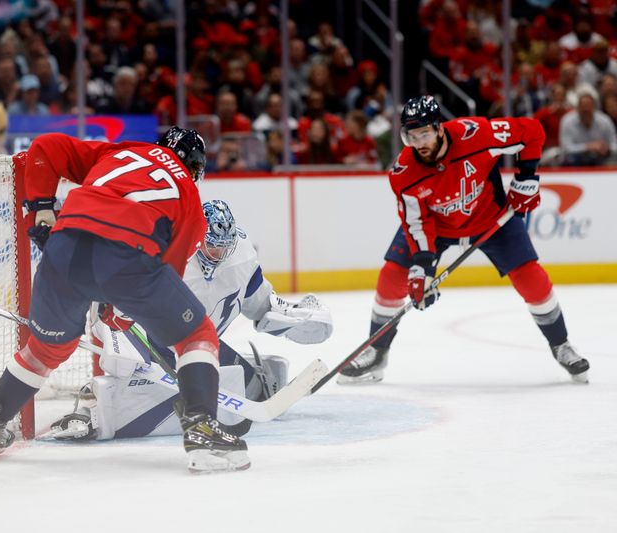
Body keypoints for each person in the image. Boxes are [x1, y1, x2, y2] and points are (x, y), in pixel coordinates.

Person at [0, 127, 252, 473]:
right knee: (197, 335)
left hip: (63, 248)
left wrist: (40, 206)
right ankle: (202, 428)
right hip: (128, 256)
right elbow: (168, 269)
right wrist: (124, 307)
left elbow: (46, 147)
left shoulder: (122, 152)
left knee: (46, 348)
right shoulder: (187, 193)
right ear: (197, 168)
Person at [337, 95, 590, 385]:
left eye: (425, 134)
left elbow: (531, 131)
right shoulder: (404, 174)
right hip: (438, 229)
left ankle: (561, 344)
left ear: (439, 128)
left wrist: (527, 178)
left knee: (532, 280)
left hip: (491, 219)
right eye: (411, 136)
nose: (419, 142)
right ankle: (377, 351)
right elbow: (417, 223)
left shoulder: (476, 134)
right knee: (392, 276)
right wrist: (422, 267)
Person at [46, 200, 333, 442]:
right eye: (211, 247)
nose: (217, 255)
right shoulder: (170, 249)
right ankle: (91, 410)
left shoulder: (242, 257)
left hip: (197, 344)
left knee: (252, 389)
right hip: (151, 336)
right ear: (198, 237)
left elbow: (260, 304)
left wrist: (293, 317)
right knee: (127, 373)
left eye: (223, 248)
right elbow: (113, 304)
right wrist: (120, 343)